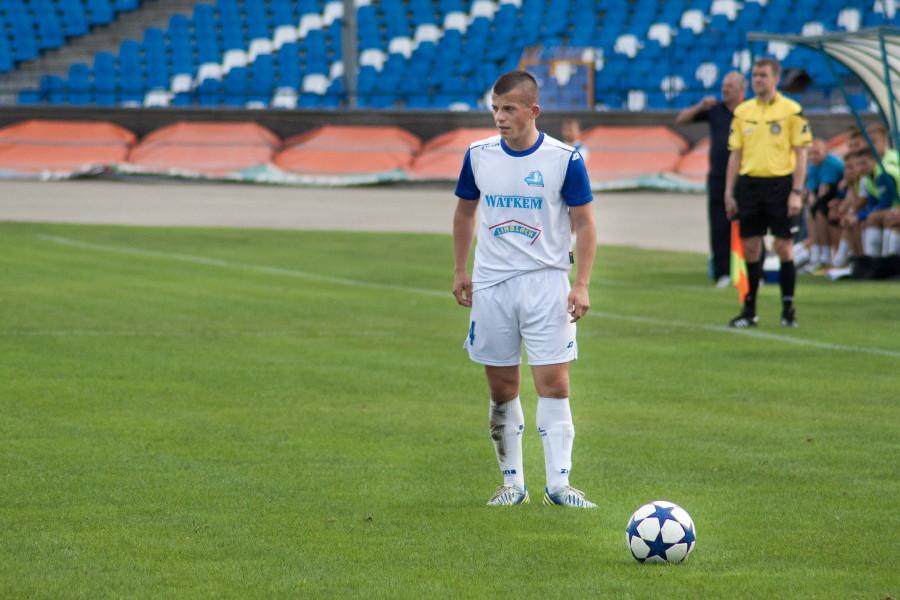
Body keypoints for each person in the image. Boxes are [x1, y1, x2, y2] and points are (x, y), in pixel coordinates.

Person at [452, 70, 598, 508]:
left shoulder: (564, 159)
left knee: (554, 382)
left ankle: (559, 486)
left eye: (509, 109)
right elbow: (465, 213)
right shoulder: (478, 155)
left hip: (547, 285)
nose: (500, 117)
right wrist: (460, 269)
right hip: (492, 286)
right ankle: (512, 485)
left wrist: (582, 283)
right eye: (495, 109)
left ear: (533, 111)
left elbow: (585, 223)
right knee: (502, 387)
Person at [724, 57, 812, 327]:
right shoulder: (743, 112)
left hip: (780, 185)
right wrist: (729, 192)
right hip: (750, 185)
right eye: (754, 75)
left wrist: (796, 191)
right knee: (751, 248)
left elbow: (801, 153)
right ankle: (749, 310)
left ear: (775, 79)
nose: (758, 80)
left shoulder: (791, 110)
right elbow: (735, 154)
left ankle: (788, 310)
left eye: (763, 75)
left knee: (783, 247)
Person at [676, 71, 747, 288]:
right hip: (717, 176)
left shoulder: (750, 111)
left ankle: (751, 270)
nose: (725, 89)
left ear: (741, 90)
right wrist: (700, 106)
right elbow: (681, 120)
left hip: (746, 175)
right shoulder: (715, 110)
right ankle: (722, 272)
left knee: (750, 224)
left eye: (730, 86)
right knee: (719, 226)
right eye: (724, 85)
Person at [803, 139, 844, 270]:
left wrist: (814, 205)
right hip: (828, 197)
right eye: (810, 153)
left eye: (816, 153)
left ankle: (826, 255)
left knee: (820, 213)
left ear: (825, 151)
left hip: (839, 197)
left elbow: (826, 189)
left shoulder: (830, 164)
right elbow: (812, 191)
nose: (812, 156)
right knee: (811, 213)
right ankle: (817, 253)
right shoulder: (812, 166)